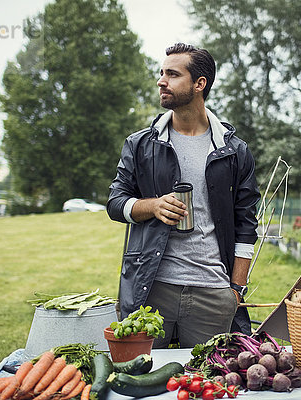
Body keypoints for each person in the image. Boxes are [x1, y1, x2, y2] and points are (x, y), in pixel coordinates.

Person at [106, 43, 260, 348]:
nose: (161, 81)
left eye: (173, 74)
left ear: (199, 84)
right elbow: (115, 203)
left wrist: (236, 289)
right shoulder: (140, 145)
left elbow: (246, 224)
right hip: (151, 289)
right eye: (161, 73)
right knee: (142, 381)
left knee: (206, 384)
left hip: (212, 293)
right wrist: (153, 206)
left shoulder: (234, 151)